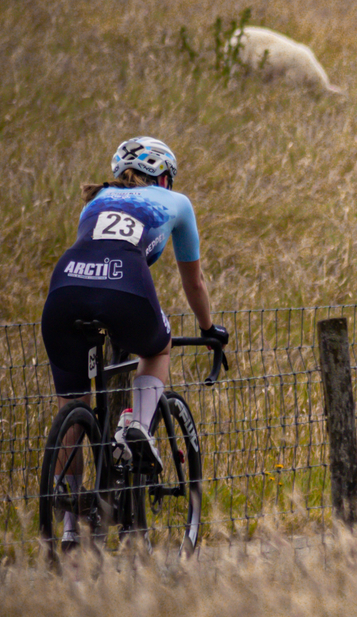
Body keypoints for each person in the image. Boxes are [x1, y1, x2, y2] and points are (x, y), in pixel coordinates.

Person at [41, 136, 226, 477]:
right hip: (124, 283)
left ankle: (69, 523)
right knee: (158, 348)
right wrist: (207, 328)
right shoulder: (177, 202)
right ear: (164, 177)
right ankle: (137, 428)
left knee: (71, 407)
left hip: (65, 285)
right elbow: (194, 282)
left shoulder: (96, 198)